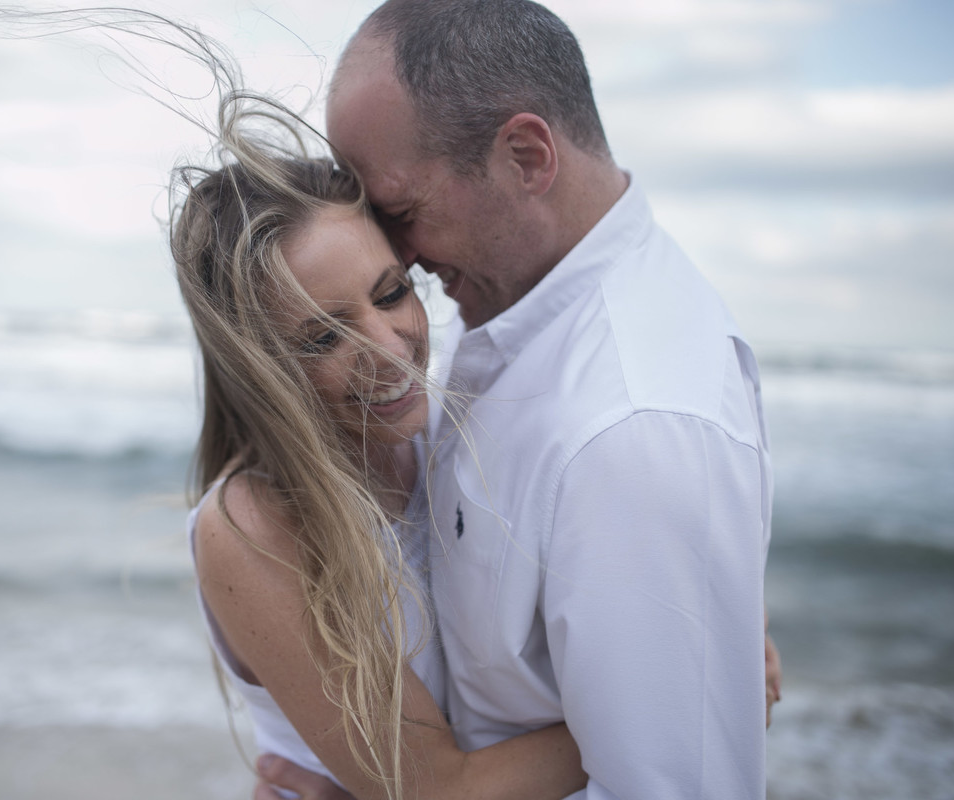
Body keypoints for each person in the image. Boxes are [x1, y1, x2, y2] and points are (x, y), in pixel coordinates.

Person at [255, 1, 778, 798]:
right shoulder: (518, 311)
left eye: (398, 213)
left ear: (527, 157)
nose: (397, 258)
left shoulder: (629, 430)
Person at [173, 86, 591, 798]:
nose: (389, 349)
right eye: (323, 335)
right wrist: (687, 695)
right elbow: (437, 790)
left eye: (392, 293)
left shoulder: (457, 429)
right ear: (258, 366)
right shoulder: (253, 525)